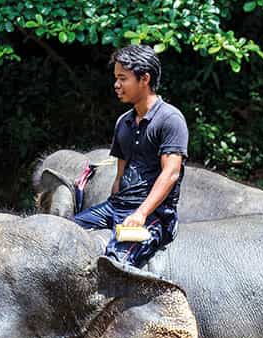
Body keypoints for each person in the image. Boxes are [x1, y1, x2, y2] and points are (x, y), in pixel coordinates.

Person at [73, 45, 188, 268]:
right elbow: (120, 174)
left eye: (123, 78)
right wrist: (112, 205)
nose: (116, 85)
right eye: (116, 78)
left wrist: (141, 214)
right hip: (116, 206)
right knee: (65, 235)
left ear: (144, 79)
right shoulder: (123, 122)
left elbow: (171, 173)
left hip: (154, 214)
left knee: (115, 264)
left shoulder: (170, 119)